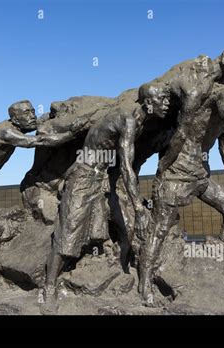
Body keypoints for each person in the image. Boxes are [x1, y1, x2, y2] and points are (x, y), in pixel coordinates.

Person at [138, 52, 224, 302]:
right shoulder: (222, 95)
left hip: (200, 176)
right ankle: (144, 285)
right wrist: (163, 169)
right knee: (158, 230)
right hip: (178, 171)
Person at [41, 83, 170, 313]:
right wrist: (139, 208)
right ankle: (49, 289)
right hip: (83, 177)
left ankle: (117, 278)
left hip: (100, 179)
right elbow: (127, 168)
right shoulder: (128, 120)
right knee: (67, 236)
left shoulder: (137, 120)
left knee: (110, 229)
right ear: (148, 103)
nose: (167, 102)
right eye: (162, 98)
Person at [0, 100, 87, 300]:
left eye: (32, 111)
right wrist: (73, 132)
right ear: (15, 118)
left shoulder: (14, 127)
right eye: (27, 113)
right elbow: (36, 141)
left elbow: (37, 128)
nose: (32, 115)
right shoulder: (5, 132)